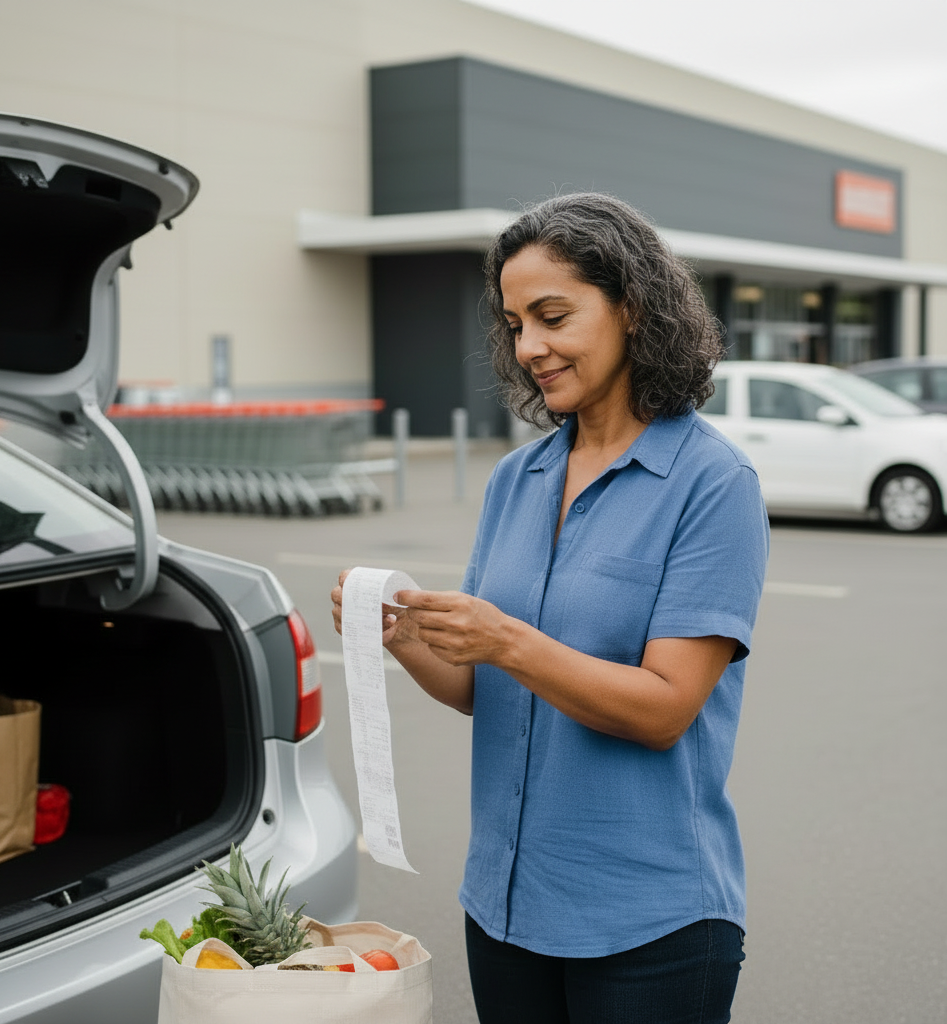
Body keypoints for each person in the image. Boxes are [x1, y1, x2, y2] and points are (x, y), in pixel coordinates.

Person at [331, 192, 769, 1024]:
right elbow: (485, 689)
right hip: (503, 906)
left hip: (649, 922)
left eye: (553, 316)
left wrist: (505, 640)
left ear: (633, 309)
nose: (530, 347)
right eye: (514, 323)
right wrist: (404, 636)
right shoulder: (517, 479)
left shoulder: (713, 486)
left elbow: (666, 709)